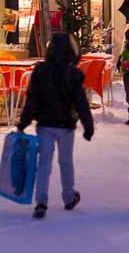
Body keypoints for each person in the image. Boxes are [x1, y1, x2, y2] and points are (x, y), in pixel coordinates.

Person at [17, 32, 95, 219]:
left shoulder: (40, 71)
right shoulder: (74, 74)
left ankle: (41, 202)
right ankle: (68, 197)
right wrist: (88, 126)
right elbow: (81, 102)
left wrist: (24, 122)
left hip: (44, 124)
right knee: (66, 162)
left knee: (44, 163)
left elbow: (32, 100)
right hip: (66, 126)